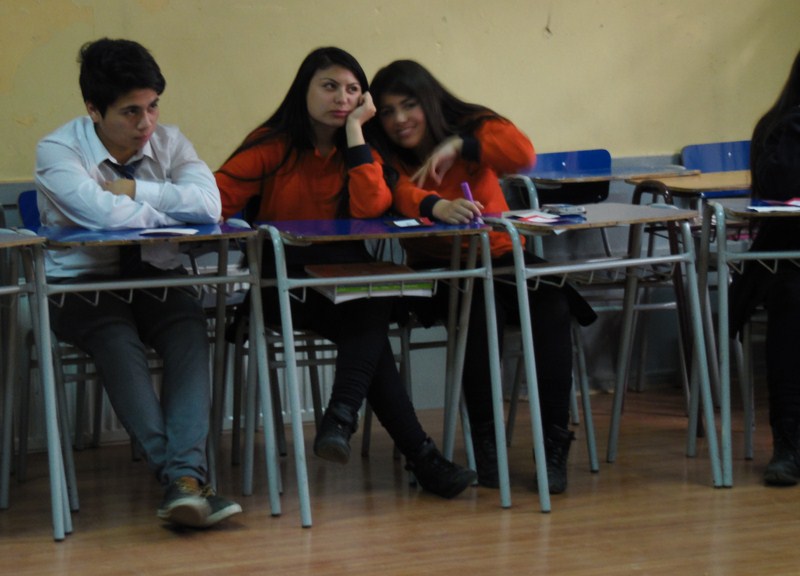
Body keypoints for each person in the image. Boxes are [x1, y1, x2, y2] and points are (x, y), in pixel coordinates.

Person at [214, 47, 476, 499]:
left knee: (373, 300)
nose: (341, 98)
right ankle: (412, 453)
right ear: (305, 89)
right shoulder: (272, 144)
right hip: (283, 284)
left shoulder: (360, 147)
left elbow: (372, 204)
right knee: (371, 323)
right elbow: (214, 200)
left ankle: (345, 420)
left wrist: (355, 133)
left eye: (353, 90)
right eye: (330, 86)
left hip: (347, 278)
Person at [35, 38, 241, 528]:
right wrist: (170, 207)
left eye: (152, 107)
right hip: (82, 284)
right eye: (131, 111)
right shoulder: (57, 150)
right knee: (116, 338)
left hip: (157, 277)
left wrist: (136, 190)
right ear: (93, 109)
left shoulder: (171, 142)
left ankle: (182, 482)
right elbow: (104, 216)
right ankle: (183, 479)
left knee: (189, 331)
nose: (146, 123)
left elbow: (209, 206)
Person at [369, 60, 596, 494]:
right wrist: (434, 205)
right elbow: (395, 191)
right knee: (475, 307)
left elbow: (521, 154)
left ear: (429, 102)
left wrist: (462, 145)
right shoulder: (384, 151)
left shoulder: (472, 125)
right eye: (388, 111)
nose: (399, 120)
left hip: (504, 258)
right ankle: (486, 446)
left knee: (552, 302)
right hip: (441, 270)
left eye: (409, 106)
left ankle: (553, 444)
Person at [730, 48, 800, 486]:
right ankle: (788, 444)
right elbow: (778, 186)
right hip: (780, 262)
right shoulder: (777, 129)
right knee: (793, 299)